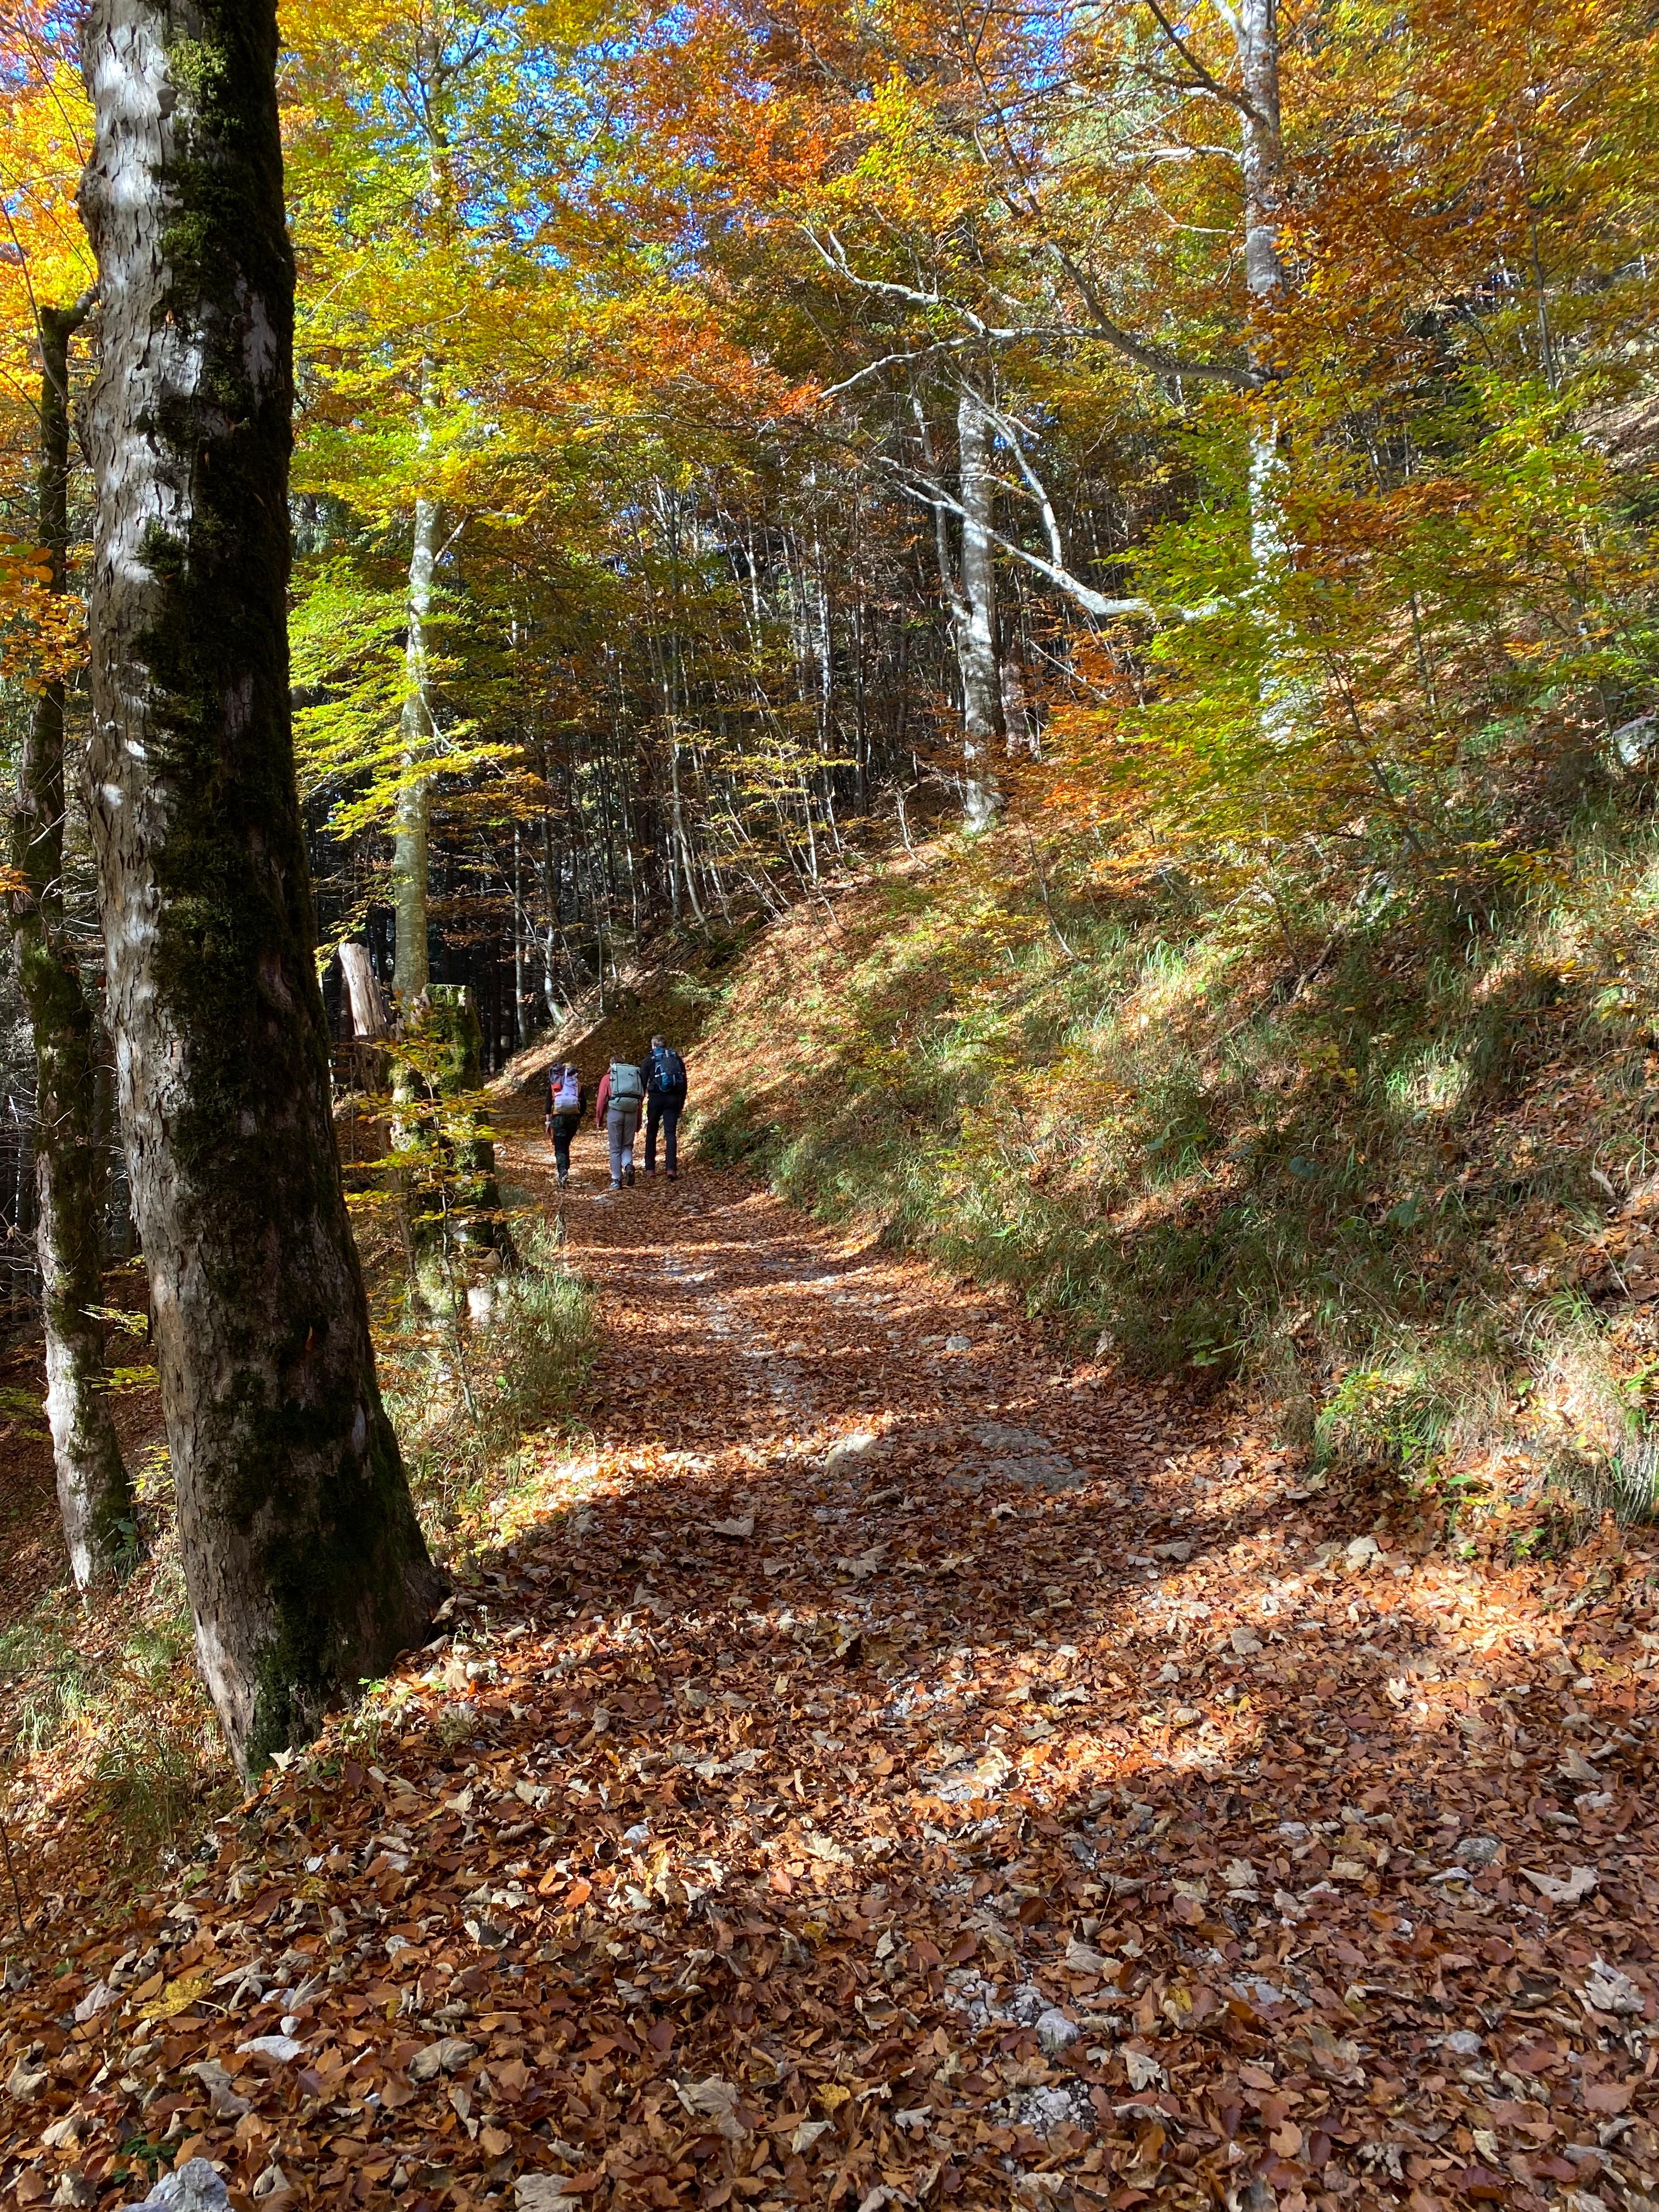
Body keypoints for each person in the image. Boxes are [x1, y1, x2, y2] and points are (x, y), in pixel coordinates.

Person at [642, 1032, 688, 1180]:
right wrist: (681, 1103)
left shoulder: (649, 1060)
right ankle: (671, 1169)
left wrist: (639, 1102)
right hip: (673, 1099)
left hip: (655, 1099)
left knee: (652, 1133)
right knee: (670, 1134)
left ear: (653, 1045)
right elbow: (684, 1082)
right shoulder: (676, 1058)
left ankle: (650, 1168)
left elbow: (642, 1083)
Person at [594, 1054, 644, 1189]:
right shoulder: (633, 1077)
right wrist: (638, 1121)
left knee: (615, 1148)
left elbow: (601, 1101)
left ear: (612, 1065)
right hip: (632, 1113)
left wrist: (599, 1119)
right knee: (627, 1145)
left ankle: (617, 1180)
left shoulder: (608, 1078)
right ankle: (628, 1165)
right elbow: (639, 1100)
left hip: (615, 1113)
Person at [544, 1061, 584, 1187]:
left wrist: (548, 1122)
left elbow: (548, 1106)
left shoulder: (554, 1084)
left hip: (558, 1118)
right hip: (572, 1118)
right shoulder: (578, 1085)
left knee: (560, 1147)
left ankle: (562, 1171)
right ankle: (565, 1169)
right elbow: (584, 1106)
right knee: (566, 1145)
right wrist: (577, 1118)